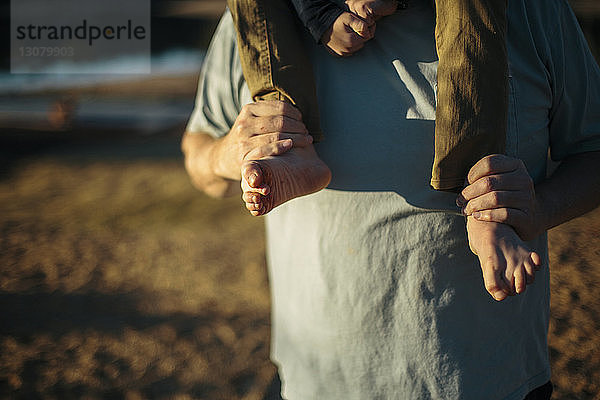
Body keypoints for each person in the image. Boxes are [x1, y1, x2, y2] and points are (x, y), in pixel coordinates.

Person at [182, 0, 600, 398]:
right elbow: (198, 155)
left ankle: (478, 201)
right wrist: (227, 154)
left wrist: (534, 209)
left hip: (485, 381)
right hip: (315, 383)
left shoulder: (532, 10)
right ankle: (295, 155)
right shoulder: (263, 16)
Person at [227, 0, 538, 301]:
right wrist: (319, 13)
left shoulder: (540, 13)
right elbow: (200, 154)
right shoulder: (229, 34)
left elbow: (589, 152)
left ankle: (482, 200)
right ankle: (288, 142)